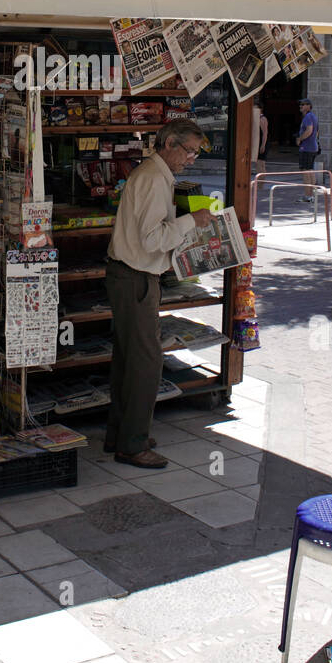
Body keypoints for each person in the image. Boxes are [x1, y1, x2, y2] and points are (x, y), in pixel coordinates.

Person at [104, 119, 213, 469]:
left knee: (130, 360)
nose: (191, 158)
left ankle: (122, 434)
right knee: (145, 363)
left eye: (195, 152)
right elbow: (152, 239)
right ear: (168, 143)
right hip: (135, 278)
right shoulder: (152, 177)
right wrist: (190, 222)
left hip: (132, 276)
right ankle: (132, 444)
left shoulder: (155, 175)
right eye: (188, 150)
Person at [296, 98, 319, 198]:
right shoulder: (313, 116)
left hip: (306, 148)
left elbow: (309, 130)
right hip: (312, 147)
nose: (301, 106)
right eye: (300, 104)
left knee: (305, 171)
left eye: (303, 104)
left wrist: (300, 139)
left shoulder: (308, 117)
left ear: (309, 106)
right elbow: (316, 132)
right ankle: (312, 195)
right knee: (310, 170)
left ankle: (308, 196)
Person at [252, 100, 269, 175]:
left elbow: (265, 133)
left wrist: (263, 145)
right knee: (259, 164)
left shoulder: (262, 118)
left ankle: (260, 184)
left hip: (261, 142)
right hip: (257, 142)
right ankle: (260, 184)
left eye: (255, 108)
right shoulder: (255, 118)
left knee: (260, 164)